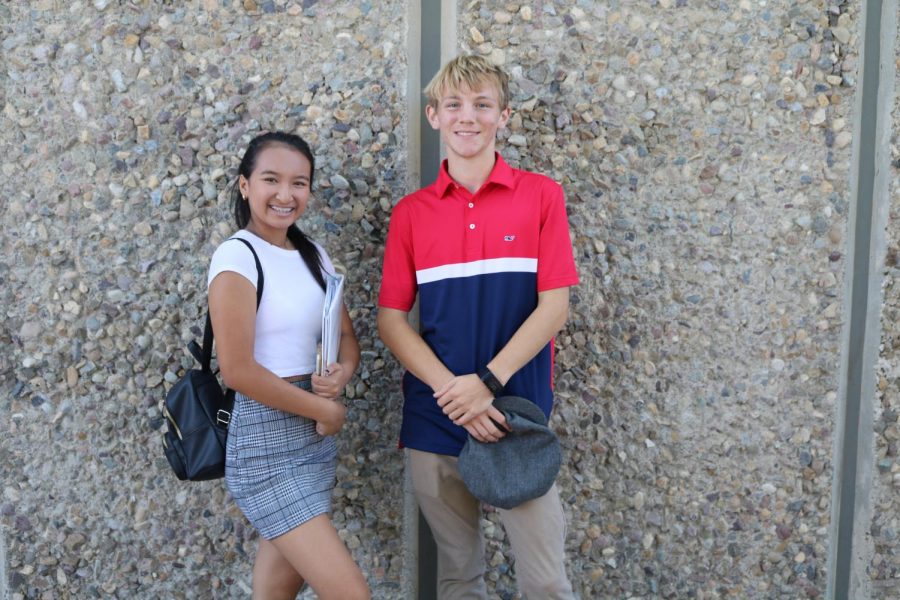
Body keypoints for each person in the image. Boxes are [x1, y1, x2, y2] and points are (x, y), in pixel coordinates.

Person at [377, 54, 578, 598]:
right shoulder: (411, 214)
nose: (469, 116)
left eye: (482, 104)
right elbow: (392, 321)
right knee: (459, 579)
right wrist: (455, 395)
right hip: (436, 420)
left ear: (504, 116)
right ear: (433, 116)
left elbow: (553, 307)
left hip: (517, 418)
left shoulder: (541, 196)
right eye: (454, 105)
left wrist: (485, 385)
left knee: (546, 583)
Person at [208, 131, 369, 600]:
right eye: (271, 180)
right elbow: (237, 370)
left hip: (312, 444)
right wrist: (324, 411)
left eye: (299, 183)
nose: (285, 194)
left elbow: (345, 339)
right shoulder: (237, 256)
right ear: (244, 185)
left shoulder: (314, 254)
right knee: (352, 594)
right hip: (264, 444)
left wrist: (342, 372)